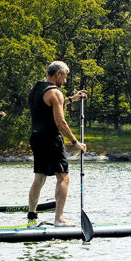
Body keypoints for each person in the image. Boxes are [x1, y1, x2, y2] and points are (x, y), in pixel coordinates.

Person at [26, 61, 87, 226]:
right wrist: (76, 143)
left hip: (36, 137)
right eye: (65, 77)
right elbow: (60, 122)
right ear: (58, 74)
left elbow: (50, 105)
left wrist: (71, 99)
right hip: (50, 137)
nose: (65, 81)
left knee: (40, 177)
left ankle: (32, 215)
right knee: (63, 177)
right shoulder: (55, 93)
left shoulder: (36, 89)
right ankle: (59, 218)